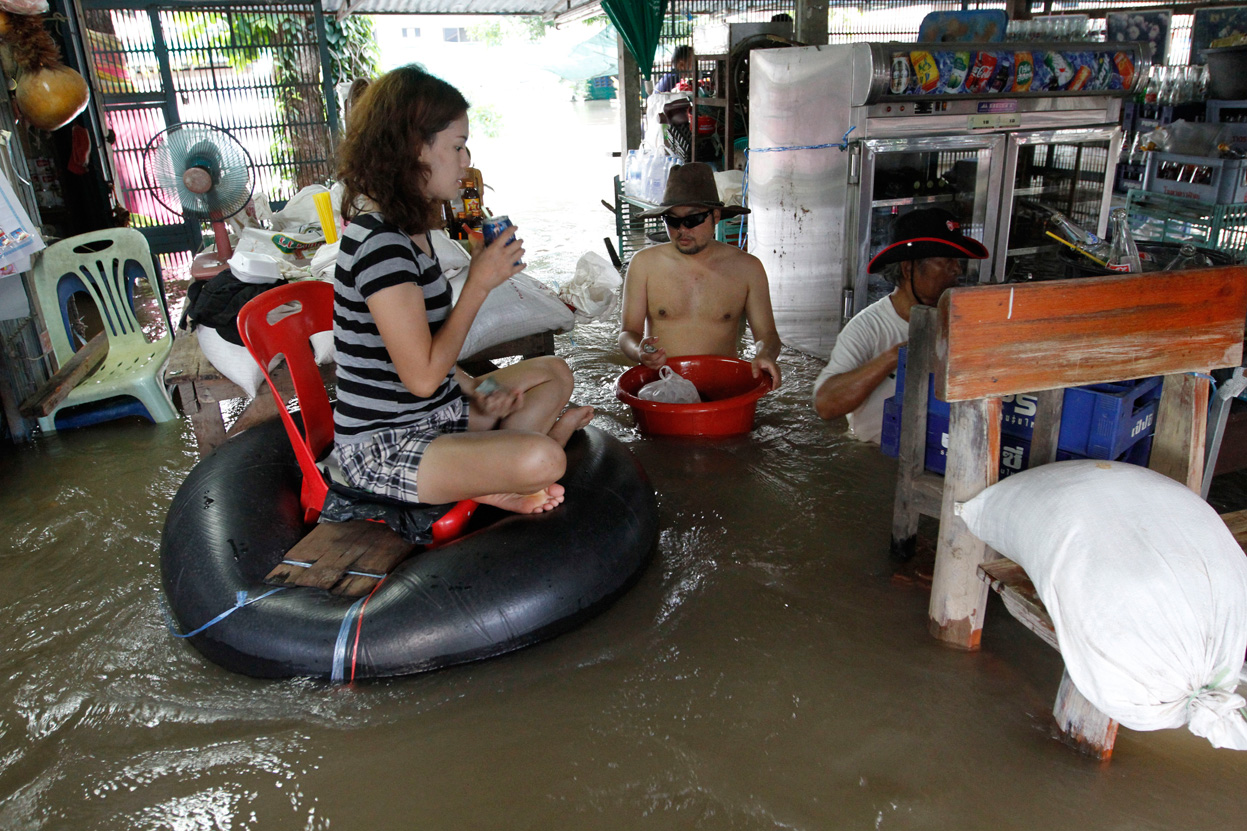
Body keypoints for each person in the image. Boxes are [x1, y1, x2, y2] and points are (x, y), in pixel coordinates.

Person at [334, 65, 593, 516]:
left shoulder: (413, 233)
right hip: (387, 446)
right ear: (414, 149)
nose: (466, 161)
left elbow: (434, 356)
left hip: (437, 416)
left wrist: (482, 388)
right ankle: (504, 471)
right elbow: (421, 377)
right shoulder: (381, 245)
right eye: (456, 147)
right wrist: (477, 282)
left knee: (554, 372)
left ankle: (486, 471)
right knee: (545, 459)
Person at [812, 208, 988, 443]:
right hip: (875, 456)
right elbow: (825, 405)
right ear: (908, 268)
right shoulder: (868, 328)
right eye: (946, 260)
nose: (957, 269)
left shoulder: (963, 321)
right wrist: (894, 357)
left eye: (957, 261)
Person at [618, 162, 783, 389]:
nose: (682, 230)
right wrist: (641, 351)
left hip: (722, 385)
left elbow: (767, 335)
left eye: (692, 220)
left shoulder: (748, 268)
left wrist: (765, 355)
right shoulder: (644, 264)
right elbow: (628, 333)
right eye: (673, 221)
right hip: (663, 385)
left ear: (715, 216)